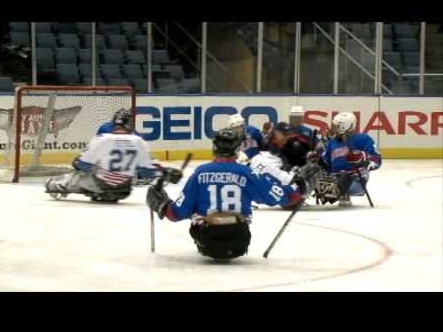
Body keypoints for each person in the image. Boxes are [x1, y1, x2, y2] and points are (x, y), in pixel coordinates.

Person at [145, 128, 316, 261]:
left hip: (206, 240)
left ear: (214, 148)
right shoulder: (247, 173)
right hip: (240, 240)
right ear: (237, 149)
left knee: (195, 205)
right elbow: (286, 198)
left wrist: (161, 204)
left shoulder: (200, 173)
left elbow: (176, 214)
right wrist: (301, 187)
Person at [45, 107, 181, 202]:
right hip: (124, 189)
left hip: (101, 185)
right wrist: (167, 172)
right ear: (130, 124)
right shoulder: (138, 140)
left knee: (79, 171)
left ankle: (56, 186)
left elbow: (79, 163)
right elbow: (148, 170)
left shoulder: (104, 137)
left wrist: (92, 165)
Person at [311, 112, 382, 207]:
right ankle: (298, 192)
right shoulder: (332, 143)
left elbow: (377, 160)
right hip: (334, 179)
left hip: (356, 181)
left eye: (335, 126)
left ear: (343, 127)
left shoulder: (362, 139)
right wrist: (317, 159)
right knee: (312, 171)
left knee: (345, 177)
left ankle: (340, 192)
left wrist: (361, 158)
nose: (332, 128)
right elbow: (326, 164)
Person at [97, 109, 160, 185]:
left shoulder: (104, 128)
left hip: (105, 170)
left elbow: (97, 147)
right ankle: (142, 175)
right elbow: (142, 151)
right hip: (125, 172)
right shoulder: (134, 134)